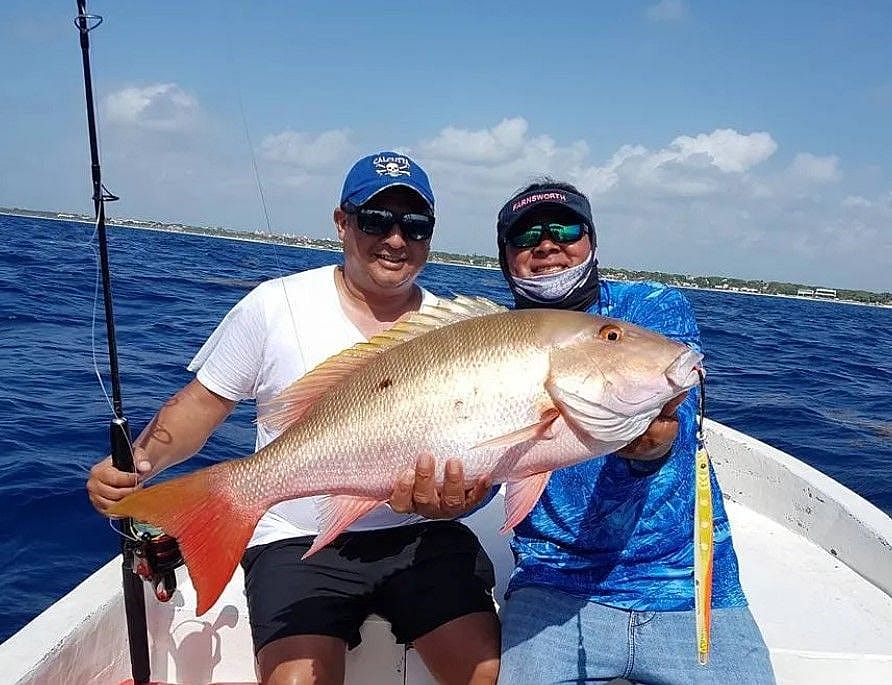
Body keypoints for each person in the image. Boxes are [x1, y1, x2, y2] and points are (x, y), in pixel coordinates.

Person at [86, 152, 501, 685]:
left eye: (415, 225)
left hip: (417, 534)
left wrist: (464, 495)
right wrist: (139, 464)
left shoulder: (454, 332)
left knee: (485, 672)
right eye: (376, 220)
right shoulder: (273, 306)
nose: (396, 239)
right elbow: (200, 406)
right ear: (341, 222)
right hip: (295, 537)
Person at [482, 179, 776, 683]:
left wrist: (648, 450)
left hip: (684, 581)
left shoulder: (651, 309)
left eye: (565, 227)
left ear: (591, 241)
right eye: (525, 236)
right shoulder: (487, 351)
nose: (547, 244)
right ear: (506, 258)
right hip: (552, 583)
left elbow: (669, 426)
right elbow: (472, 469)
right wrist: (446, 500)